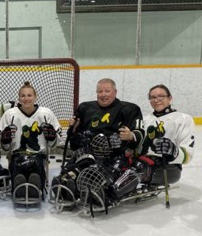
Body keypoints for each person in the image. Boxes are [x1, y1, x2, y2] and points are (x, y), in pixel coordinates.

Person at [51, 78, 143, 209]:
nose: (103, 94)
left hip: (114, 156)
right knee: (68, 176)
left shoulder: (129, 109)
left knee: (107, 181)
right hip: (88, 155)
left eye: (107, 91)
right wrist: (74, 130)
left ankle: (102, 190)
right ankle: (71, 184)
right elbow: (74, 144)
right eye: (100, 91)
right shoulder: (85, 108)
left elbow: (139, 136)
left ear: (115, 92)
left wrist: (131, 136)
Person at [0, 81, 60, 199]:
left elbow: (55, 143)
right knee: (18, 168)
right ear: (19, 98)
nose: (26, 98)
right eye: (23, 96)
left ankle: (35, 186)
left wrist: (52, 137)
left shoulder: (46, 113)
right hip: (17, 155)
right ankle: (20, 186)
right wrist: (4, 140)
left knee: (36, 167)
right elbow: (2, 144)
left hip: (39, 155)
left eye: (29, 95)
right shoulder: (10, 114)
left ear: (35, 97)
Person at [135, 84, 195, 187]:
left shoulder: (184, 119)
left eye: (161, 96)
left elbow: (188, 155)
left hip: (168, 167)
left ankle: (110, 197)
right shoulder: (144, 120)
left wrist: (173, 150)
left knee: (135, 169)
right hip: (143, 163)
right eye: (153, 97)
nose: (156, 100)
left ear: (170, 98)